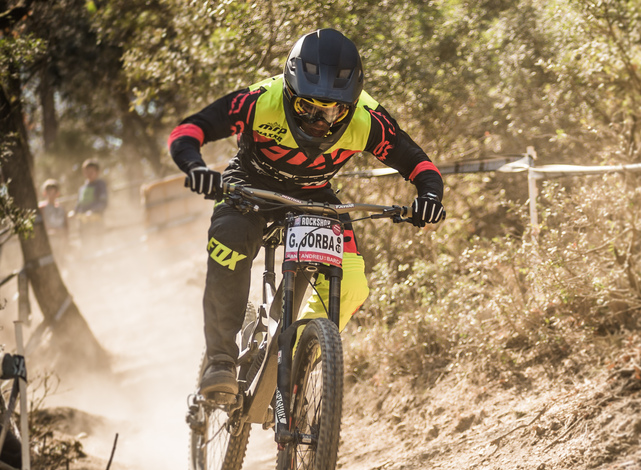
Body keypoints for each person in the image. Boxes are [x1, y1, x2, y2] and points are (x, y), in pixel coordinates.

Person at [169, 28, 445, 397]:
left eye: (334, 110)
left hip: (316, 194)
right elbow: (189, 130)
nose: (321, 120)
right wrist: (196, 168)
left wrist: (429, 196)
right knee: (228, 248)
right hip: (249, 186)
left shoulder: (368, 118)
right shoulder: (259, 101)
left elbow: (419, 163)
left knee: (352, 284)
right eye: (307, 107)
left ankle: (299, 353)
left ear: (352, 102)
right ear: (288, 92)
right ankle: (221, 360)